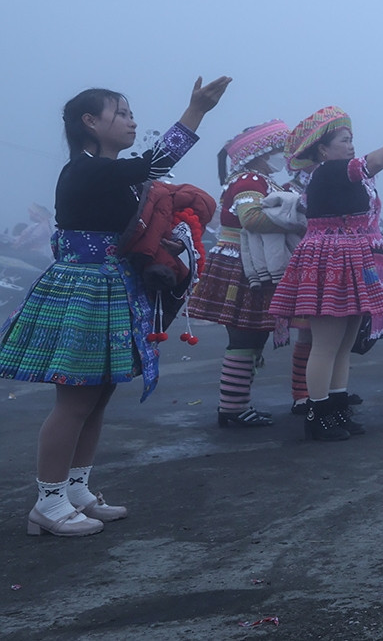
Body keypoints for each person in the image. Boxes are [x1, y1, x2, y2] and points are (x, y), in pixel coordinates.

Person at [1, 77, 228, 536]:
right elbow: (157, 162)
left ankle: (76, 490)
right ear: (90, 122)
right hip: (86, 291)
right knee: (75, 399)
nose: (131, 121)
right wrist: (196, 110)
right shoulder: (86, 169)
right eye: (121, 113)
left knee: (97, 395)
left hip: (110, 287)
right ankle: (47, 501)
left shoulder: (108, 173)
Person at [271, 107, 383, 441]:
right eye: (344, 140)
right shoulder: (330, 171)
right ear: (323, 150)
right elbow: (378, 161)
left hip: (350, 258)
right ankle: (317, 415)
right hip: (332, 258)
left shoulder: (337, 173)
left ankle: (337, 409)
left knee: (341, 345)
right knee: (325, 345)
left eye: (352, 139)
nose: (351, 145)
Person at [184, 119, 291, 428]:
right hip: (243, 264)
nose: (282, 156)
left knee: (251, 335)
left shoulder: (260, 180)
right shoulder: (248, 182)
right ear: (259, 153)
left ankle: (237, 405)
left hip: (249, 262)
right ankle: (232, 408)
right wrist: (298, 221)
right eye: (278, 150)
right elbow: (252, 219)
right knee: (245, 336)